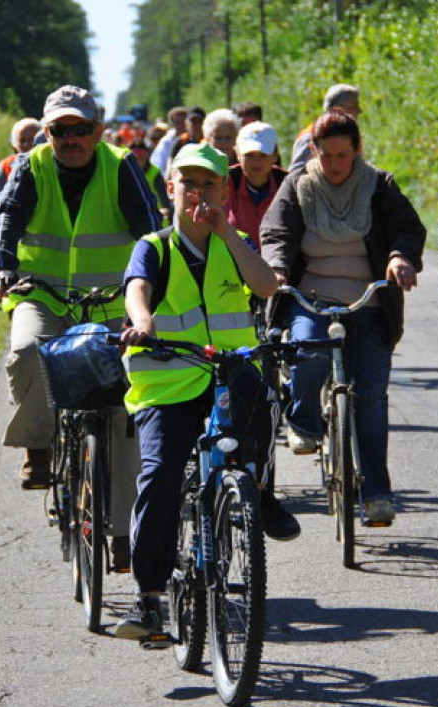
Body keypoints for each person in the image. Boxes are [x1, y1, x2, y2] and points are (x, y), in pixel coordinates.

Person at [114, 143, 300, 642]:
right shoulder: (153, 246)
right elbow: (136, 288)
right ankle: (149, 598)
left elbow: (266, 286)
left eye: (209, 184)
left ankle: (259, 492)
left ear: (223, 190)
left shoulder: (235, 241)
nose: (198, 192)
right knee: (161, 477)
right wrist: (143, 322)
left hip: (228, 373)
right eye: (188, 183)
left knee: (261, 400)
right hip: (168, 381)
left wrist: (226, 233)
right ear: (170, 189)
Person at [0, 85, 162, 569]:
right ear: (47, 133)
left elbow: (149, 229)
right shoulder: (31, 166)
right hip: (43, 295)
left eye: (80, 128)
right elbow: (5, 221)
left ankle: (124, 534)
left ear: (97, 131)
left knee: (122, 414)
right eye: (60, 130)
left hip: (110, 304)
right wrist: (2, 269)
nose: (71, 139)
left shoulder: (120, 165)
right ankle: (40, 448)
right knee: (27, 351)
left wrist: (152, 285)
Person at [260, 111, 425, 525]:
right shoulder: (297, 185)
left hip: (368, 304)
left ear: (357, 151)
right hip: (313, 300)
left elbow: (408, 229)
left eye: (343, 155)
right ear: (313, 151)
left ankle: (376, 494)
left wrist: (400, 256)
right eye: (326, 155)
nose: (334, 164)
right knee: (307, 351)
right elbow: (276, 233)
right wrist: (277, 267)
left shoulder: (379, 185)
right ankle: (305, 422)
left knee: (370, 397)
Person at [226, 121, 286, 248]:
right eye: (249, 155)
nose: (256, 161)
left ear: (275, 156)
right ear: (237, 154)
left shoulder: (287, 183)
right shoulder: (225, 181)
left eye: (263, 155)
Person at [288, 84, 361, 175]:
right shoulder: (310, 136)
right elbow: (295, 174)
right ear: (336, 108)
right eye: (354, 106)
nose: (359, 110)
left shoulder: (351, 136)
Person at [0, 117, 41, 220]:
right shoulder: (5, 167)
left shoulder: (53, 163)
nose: (28, 145)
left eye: (32, 140)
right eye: (22, 141)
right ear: (14, 146)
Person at [127, 137, 171, 221]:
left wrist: (166, 210)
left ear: (146, 157)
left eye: (141, 159)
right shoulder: (125, 173)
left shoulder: (155, 173)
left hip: (156, 219)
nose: (138, 163)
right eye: (135, 159)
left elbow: (164, 198)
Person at [150, 106, 187, 180]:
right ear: (172, 123)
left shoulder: (191, 138)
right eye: (177, 122)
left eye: (182, 121)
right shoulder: (166, 141)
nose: (180, 125)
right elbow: (157, 162)